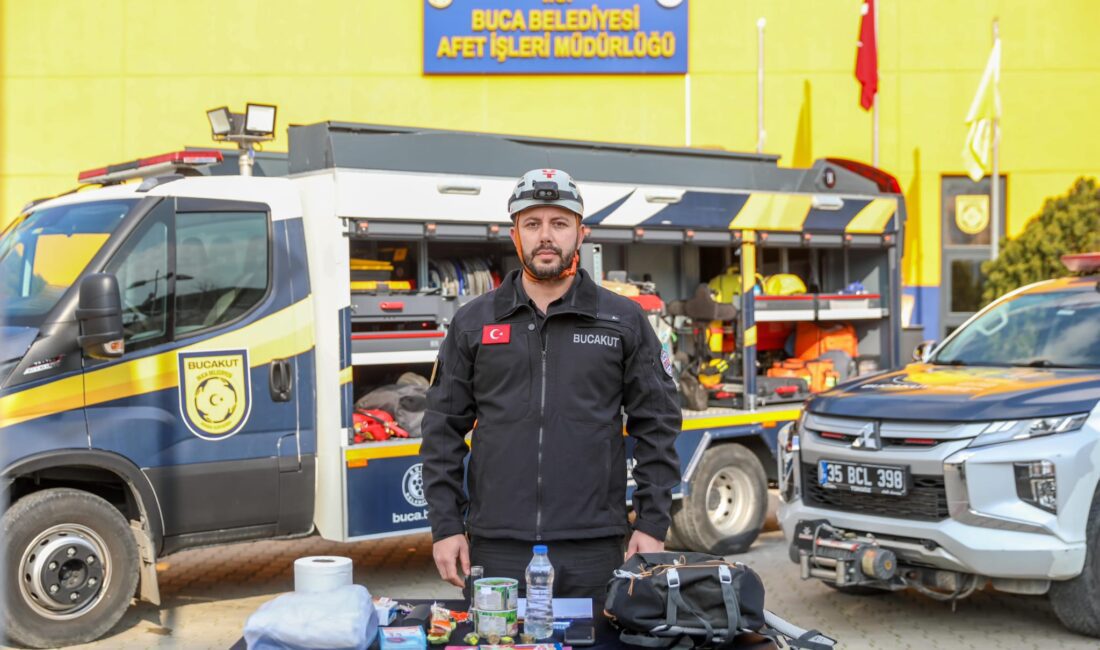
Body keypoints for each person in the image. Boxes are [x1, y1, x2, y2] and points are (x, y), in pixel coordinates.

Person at [420, 168, 682, 602]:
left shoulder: (621, 320)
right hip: (497, 546)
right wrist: (446, 526)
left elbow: (657, 424)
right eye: (532, 223)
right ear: (514, 235)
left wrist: (652, 525)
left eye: (559, 223)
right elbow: (442, 430)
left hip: (595, 548)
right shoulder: (474, 323)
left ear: (581, 234)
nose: (546, 236)